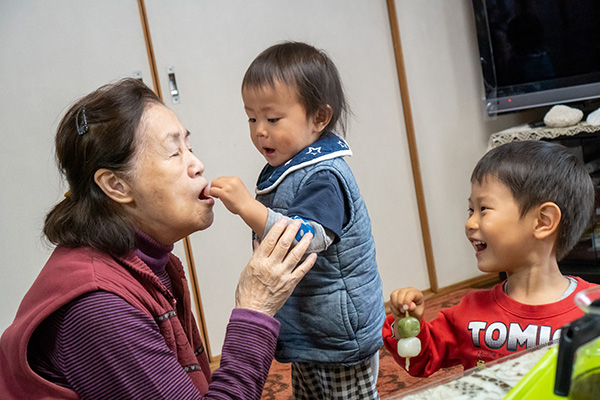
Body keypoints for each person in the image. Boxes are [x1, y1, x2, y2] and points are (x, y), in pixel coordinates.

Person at [0, 78, 317, 400]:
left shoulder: (148, 263)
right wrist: (255, 307)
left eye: (189, 148)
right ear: (116, 185)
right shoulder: (99, 306)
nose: (197, 165)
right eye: (174, 152)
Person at [210, 41, 385, 399]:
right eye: (252, 118)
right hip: (310, 330)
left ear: (319, 118)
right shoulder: (290, 168)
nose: (260, 130)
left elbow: (304, 238)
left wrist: (247, 206)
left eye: (272, 119)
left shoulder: (325, 176)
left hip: (338, 335)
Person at [383, 140, 598, 377]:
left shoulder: (593, 310)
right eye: (470, 210)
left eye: (483, 208)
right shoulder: (470, 311)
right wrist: (407, 325)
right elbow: (421, 359)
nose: (470, 223)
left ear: (542, 221)